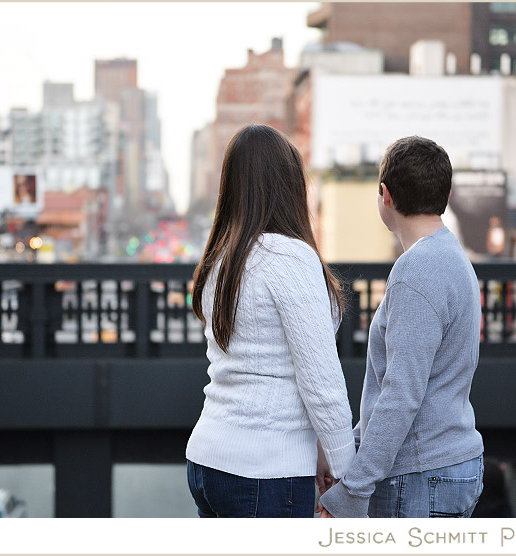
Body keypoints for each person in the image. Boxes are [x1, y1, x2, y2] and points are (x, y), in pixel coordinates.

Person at [185, 124, 356, 518]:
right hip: (264, 472)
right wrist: (347, 476)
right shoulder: (289, 257)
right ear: (289, 183)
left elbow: (267, 366)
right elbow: (320, 379)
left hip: (209, 460)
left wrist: (317, 450)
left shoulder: (221, 259)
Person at [319, 135, 484, 518]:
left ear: (385, 195)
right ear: (445, 195)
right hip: (445, 465)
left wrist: (352, 492)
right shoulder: (451, 256)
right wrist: (353, 449)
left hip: (421, 474)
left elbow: (401, 394)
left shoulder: (416, 271)